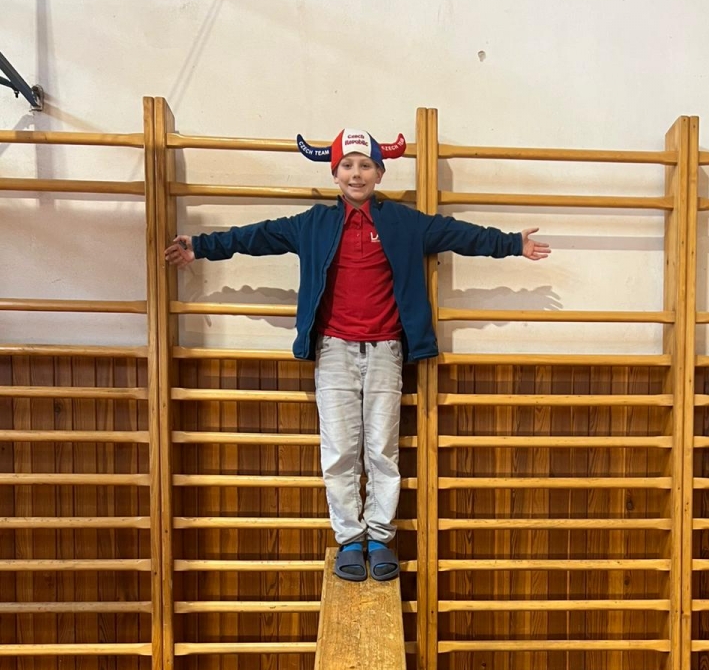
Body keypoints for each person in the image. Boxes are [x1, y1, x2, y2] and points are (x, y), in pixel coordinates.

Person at [164, 127, 550, 581]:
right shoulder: (313, 224)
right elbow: (256, 236)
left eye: (366, 165)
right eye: (347, 165)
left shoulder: (404, 223)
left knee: (382, 450)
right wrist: (200, 246)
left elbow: (459, 234)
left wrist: (512, 243)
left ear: (379, 173)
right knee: (340, 451)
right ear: (335, 174)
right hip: (334, 351)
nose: (356, 173)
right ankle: (350, 539)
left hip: (386, 350)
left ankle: (380, 537)